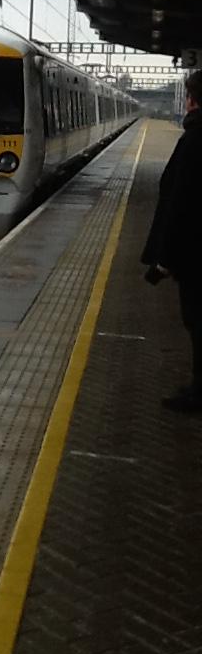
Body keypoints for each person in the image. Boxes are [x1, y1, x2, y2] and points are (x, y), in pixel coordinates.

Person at [142, 69, 202, 411]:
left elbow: (181, 205)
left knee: (197, 321)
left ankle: (198, 393)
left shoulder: (194, 141)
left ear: (192, 101)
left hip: (194, 257)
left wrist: (164, 261)